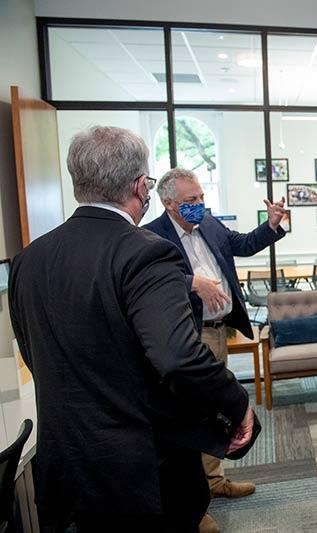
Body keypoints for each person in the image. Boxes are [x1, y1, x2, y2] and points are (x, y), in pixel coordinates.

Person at [8, 126, 255, 533]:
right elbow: (176, 358)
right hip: (141, 471)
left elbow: (33, 353)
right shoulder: (146, 250)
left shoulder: (28, 259)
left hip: (67, 466)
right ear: (141, 186)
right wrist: (237, 403)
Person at [143, 168, 286, 530]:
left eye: (201, 197)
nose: (199, 205)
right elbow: (145, 281)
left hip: (219, 331)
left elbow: (242, 244)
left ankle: (215, 481)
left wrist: (271, 225)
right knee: (190, 417)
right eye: (191, 201)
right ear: (169, 203)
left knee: (215, 412)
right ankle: (194, 505)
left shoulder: (209, 224)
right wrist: (192, 283)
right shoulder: (151, 237)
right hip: (187, 339)